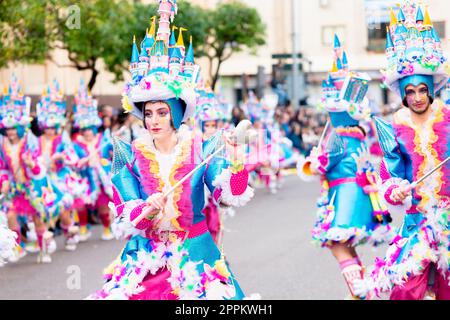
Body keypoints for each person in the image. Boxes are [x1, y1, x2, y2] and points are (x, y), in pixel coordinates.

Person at [88, 1, 254, 300]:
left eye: (162, 112)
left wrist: (238, 162)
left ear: (176, 114)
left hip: (196, 254)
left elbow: (227, 197)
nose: (154, 120)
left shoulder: (201, 150)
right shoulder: (129, 154)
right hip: (146, 257)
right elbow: (127, 211)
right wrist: (146, 207)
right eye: (148, 113)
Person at [353, 2, 449, 300]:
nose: (418, 97)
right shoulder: (393, 125)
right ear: (402, 92)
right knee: (406, 290)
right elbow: (390, 172)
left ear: (432, 89)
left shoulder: (448, 117)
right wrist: (395, 190)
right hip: (416, 220)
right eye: (411, 91)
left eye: (423, 89)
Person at [297, 35, 393, 299]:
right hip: (358, 196)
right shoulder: (357, 135)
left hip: (346, 197)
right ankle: (361, 291)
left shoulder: (338, 136)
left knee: (337, 244)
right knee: (344, 245)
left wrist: (313, 158)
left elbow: (320, 165)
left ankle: (361, 293)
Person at [0, 75, 56, 263]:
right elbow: (3, 167)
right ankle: (17, 248)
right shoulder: (3, 144)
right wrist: (4, 181)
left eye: (13, 129)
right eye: (8, 129)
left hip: (33, 185)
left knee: (38, 218)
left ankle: (43, 250)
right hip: (15, 187)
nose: (10, 132)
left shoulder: (30, 140)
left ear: (20, 127)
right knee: (10, 215)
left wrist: (32, 164)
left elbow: (39, 167)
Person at [72, 79, 114, 241]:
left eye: (90, 129)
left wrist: (106, 158)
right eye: (85, 130)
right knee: (82, 204)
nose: (88, 133)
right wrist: (80, 163)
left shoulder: (103, 140)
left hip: (101, 176)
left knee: (103, 204)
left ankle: (106, 228)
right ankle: (83, 228)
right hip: (85, 177)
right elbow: (74, 161)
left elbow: (113, 153)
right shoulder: (76, 144)